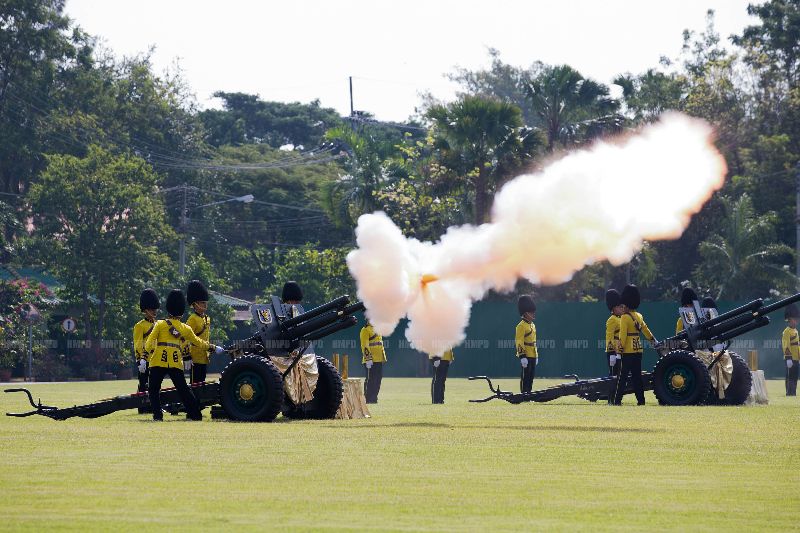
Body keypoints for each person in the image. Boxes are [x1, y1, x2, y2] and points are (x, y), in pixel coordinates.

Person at [144, 289, 224, 421]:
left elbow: (149, 342)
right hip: (175, 361)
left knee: (153, 390)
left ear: (168, 308)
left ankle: (158, 415)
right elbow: (198, 342)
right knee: (184, 391)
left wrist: (146, 355)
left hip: (158, 360)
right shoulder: (185, 328)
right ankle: (195, 414)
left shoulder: (160, 324)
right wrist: (213, 347)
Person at [611, 284, 657, 406]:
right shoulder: (639, 316)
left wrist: (619, 351)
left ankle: (617, 401)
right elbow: (646, 330)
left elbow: (623, 336)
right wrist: (653, 341)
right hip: (638, 350)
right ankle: (641, 401)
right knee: (637, 377)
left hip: (627, 351)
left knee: (623, 378)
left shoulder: (625, 317)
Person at [133, 288, 159, 413]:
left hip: (155, 359)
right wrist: (140, 360)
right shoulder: (140, 325)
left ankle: (152, 405)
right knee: (143, 384)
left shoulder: (158, 324)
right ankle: (142, 407)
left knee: (153, 385)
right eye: (152, 309)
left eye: (155, 309)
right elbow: (138, 344)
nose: (154, 312)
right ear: (145, 310)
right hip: (144, 359)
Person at [185, 280, 211, 384]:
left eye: (205, 303)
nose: (204, 305)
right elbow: (185, 338)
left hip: (204, 358)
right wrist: (187, 355)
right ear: (195, 304)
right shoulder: (192, 319)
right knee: (195, 386)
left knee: (202, 385)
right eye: (202, 303)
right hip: (194, 358)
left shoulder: (207, 318)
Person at [360, 319, 386, 404]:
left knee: (378, 379)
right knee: (370, 379)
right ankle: (367, 399)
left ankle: (374, 399)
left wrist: (383, 357)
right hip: (370, 360)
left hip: (379, 359)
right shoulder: (365, 330)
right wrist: (368, 359)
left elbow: (379, 345)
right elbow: (365, 346)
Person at [515, 295, 538, 393]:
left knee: (531, 376)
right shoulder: (521, 326)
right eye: (531, 312)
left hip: (532, 354)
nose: (534, 314)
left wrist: (536, 355)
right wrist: (522, 356)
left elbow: (534, 341)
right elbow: (519, 341)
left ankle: (529, 393)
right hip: (526, 355)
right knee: (526, 376)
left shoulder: (532, 325)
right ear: (525, 313)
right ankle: (524, 394)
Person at [604, 289, 623, 376]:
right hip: (614, 352)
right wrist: (612, 353)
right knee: (614, 377)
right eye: (620, 307)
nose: (622, 308)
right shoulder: (611, 320)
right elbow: (609, 337)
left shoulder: (622, 318)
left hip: (621, 351)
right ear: (614, 308)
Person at [782, 303, 799, 396]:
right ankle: (789, 393)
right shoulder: (786, 331)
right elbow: (786, 345)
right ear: (789, 319)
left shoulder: (795, 331)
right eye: (794, 319)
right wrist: (788, 358)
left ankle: (793, 393)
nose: (796, 321)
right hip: (790, 358)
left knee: (795, 377)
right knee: (790, 377)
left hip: (796, 358)